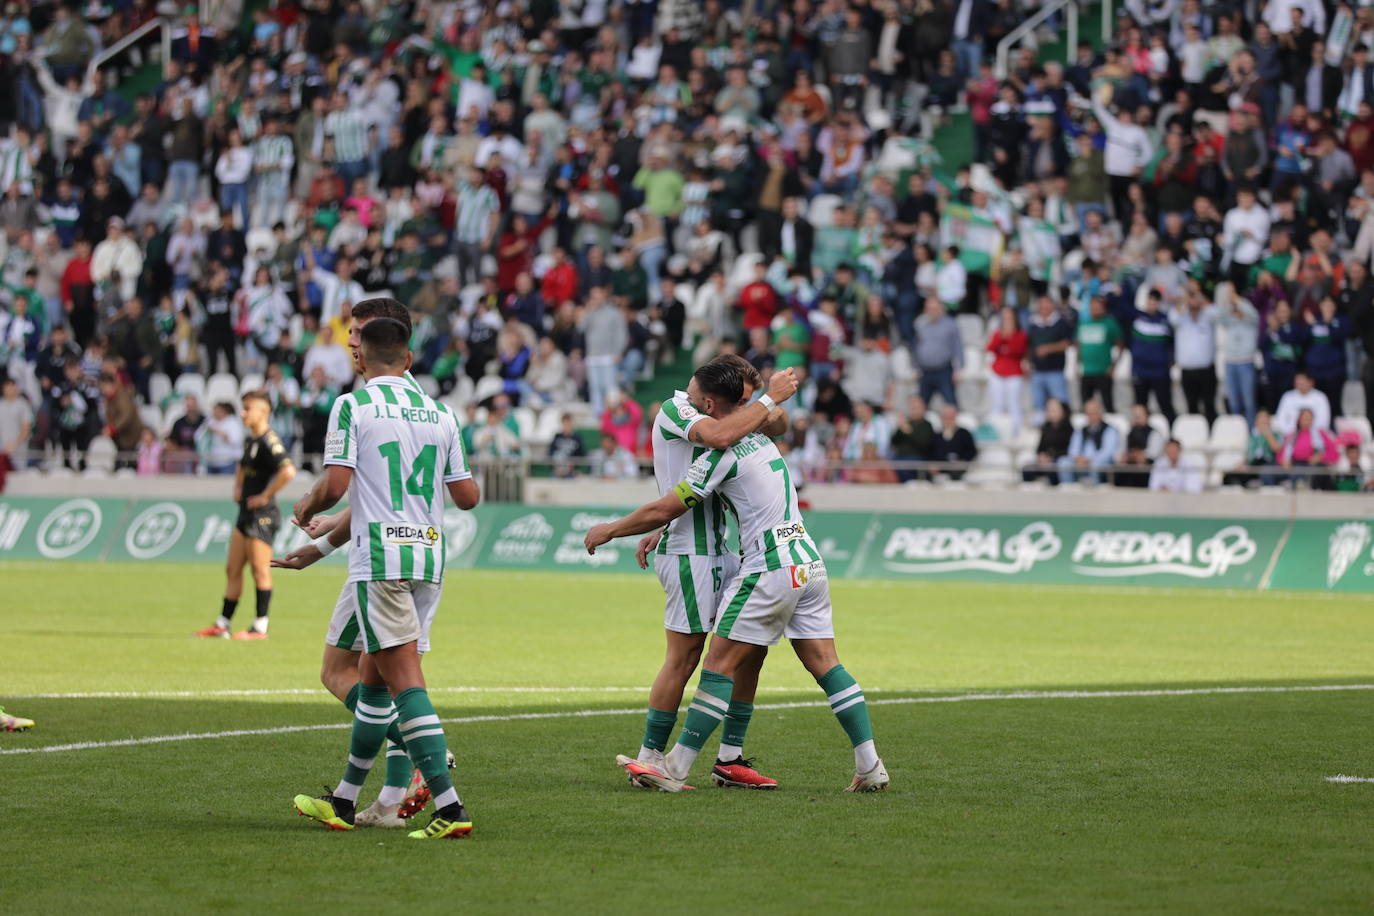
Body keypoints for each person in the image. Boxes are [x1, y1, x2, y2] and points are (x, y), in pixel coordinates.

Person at [585, 370, 887, 795]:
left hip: (769, 566)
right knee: (826, 663)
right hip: (807, 561)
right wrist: (769, 401)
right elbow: (773, 423)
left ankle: (673, 766)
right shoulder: (761, 438)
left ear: (711, 406)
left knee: (717, 664)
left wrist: (612, 529)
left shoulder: (719, 455)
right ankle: (870, 764)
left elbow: (666, 506)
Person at [287, 316, 479, 840]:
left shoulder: (353, 406)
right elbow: (468, 497)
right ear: (409, 359)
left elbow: (336, 486)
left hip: (381, 559)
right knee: (372, 683)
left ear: (361, 358)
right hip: (428, 558)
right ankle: (344, 802)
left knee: (404, 682)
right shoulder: (441, 412)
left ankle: (451, 807)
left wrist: (308, 504)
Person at [617, 356, 798, 790]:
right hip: (690, 554)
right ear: (711, 398)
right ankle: (650, 759)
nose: (739, 410)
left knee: (750, 650)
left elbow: (779, 425)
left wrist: (763, 404)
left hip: (724, 550)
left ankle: (730, 759)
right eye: (737, 402)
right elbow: (719, 436)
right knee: (685, 657)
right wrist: (766, 400)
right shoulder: (677, 408)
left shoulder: (728, 412)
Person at [195, 391, 295, 640]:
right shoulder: (252, 440)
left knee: (260, 570)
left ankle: (260, 626)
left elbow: (288, 471)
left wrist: (265, 496)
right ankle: (223, 624)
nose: (242, 413)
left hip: (262, 515)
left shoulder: (270, 441)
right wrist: (238, 486)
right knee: (233, 568)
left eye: (248, 408)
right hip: (246, 513)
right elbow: (242, 465)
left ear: (263, 411)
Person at [1026, 296, 1073, 422]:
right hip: (1037, 370)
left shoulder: (1061, 323)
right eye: (1042, 305)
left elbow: (1067, 343)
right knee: (1038, 405)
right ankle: (1041, 428)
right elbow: (1029, 345)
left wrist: (1048, 349)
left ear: (1052, 306)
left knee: (1060, 402)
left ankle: (1064, 425)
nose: (1044, 308)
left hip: (1055, 370)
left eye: (1047, 305)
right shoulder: (1033, 324)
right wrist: (1027, 363)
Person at [914, 297, 962, 408]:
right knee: (921, 405)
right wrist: (915, 367)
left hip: (944, 370)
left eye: (935, 308)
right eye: (929, 309)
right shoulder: (920, 323)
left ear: (941, 309)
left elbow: (957, 346)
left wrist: (958, 369)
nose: (932, 311)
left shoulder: (950, 324)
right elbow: (916, 347)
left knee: (951, 404)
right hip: (925, 371)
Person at [1076, 296, 1123, 412]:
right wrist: (1077, 366)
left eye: (1098, 306)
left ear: (1104, 308)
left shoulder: (1110, 324)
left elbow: (1120, 346)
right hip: (1086, 371)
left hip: (1104, 371)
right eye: (1093, 306)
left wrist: (1114, 365)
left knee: (1108, 404)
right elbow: (1078, 346)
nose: (1095, 309)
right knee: (1086, 405)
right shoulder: (1083, 324)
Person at [1058, 400, 1121, 484]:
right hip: (1081, 463)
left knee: (1096, 464)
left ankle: (1096, 488)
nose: (1092, 416)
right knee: (1063, 462)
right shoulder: (1081, 430)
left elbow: (1107, 452)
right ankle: (1068, 487)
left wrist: (1090, 460)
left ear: (1100, 412)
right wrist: (1078, 458)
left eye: (1094, 412)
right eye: (1089, 413)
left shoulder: (1109, 430)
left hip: (1098, 463)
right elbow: (1073, 449)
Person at [985, 307, 1028, 430]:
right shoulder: (997, 333)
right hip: (998, 371)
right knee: (996, 403)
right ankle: (995, 429)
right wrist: (1002, 337)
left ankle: (1016, 430)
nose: (1007, 320)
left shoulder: (1021, 334)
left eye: (1009, 317)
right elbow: (990, 348)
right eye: (1004, 317)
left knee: (1014, 403)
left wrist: (1008, 338)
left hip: (1014, 372)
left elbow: (1018, 350)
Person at [1278, 407, 1339, 488]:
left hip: (1313, 465)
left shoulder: (1320, 434)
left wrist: (1321, 457)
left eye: (1309, 419)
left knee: (1320, 471)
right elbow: (1281, 455)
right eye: (1304, 419)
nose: (1307, 421)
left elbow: (1334, 453)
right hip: (1296, 465)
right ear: (1299, 420)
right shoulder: (1292, 436)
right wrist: (1285, 461)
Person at [1222, 409, 1281, 487]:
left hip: (1267, 463)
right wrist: (1242, 463)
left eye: (1265, 418)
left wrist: (1267, 434)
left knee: (1265, 473)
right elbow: (1249, 455)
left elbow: (1277, 449)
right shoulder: (1252, 437)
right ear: (1256, 422)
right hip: (1253, 464)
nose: (1263, 421)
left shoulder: (1276, 434)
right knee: (1228, 477)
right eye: (1261, 418)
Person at [1022, 398, 1073, 483]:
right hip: (1045, 461)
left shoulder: (1069, 429)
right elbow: (1040, 448)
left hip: (1058, 461)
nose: (1051, 413)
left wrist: (1052, 457)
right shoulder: (1046, 428)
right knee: (1027, 469)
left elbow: (1069, 450)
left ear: (1063, 411)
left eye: (1054, 410)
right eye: (1049, 410)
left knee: (1053, 470)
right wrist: (1041, 456)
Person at [931, 403, 977, 479]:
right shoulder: (937, 435)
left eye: (951, 417)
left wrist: (963, 461)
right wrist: (933, 464)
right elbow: (931, 452)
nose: (948, 420)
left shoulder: (964, 433)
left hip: (958, 468)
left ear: (955, 417)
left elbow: (972, 451)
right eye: (946, 417)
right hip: (940, 467)